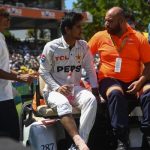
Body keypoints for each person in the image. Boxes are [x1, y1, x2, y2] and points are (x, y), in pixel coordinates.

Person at [88, 6, 150, 150]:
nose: (106, 24)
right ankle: (122, 139)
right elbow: (83, 57)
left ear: (121, 21)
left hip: (136, 80)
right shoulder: (99, 36)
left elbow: (149, 64)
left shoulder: (138, 37)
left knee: (149, 92)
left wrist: (141, 81)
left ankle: (148, 134)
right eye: (105, 21)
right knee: (115, 93)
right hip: (110, 80)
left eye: (110, 21)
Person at [39, 12, 100, 150]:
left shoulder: (83, 46)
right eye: (78, 27)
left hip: (74, 88)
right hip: (52, 91)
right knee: (63, 103)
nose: (81, 30)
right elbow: (43, 71)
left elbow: (90, 70)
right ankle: (79, 142)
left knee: (91, 99)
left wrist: (95, 90)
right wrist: (57, 87)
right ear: (67, 29)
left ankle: (80, 144)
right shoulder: (51, 46)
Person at [0, 7, 36, 141]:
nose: (8, 18)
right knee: (11, 137)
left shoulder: (1, 37)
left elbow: (3, 67)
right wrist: (18, 77)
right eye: (4, 15)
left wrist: (20, 73)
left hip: (5, 96)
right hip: (1, 99)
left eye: (9, 16)